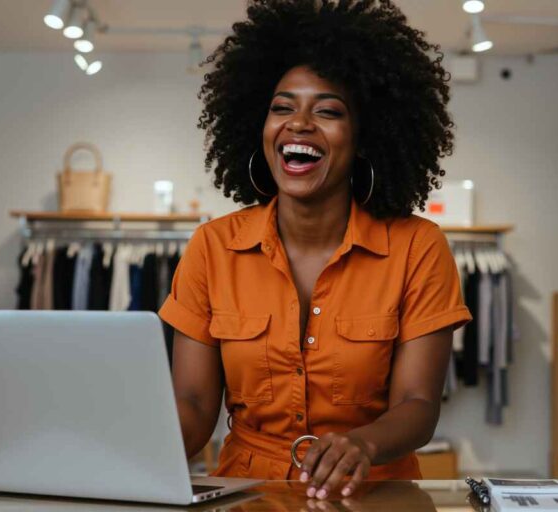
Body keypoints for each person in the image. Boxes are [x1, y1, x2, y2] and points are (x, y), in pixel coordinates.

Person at [159, 0, 470, 500]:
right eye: (282, 107)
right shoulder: (212, 247)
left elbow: (417, 403)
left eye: (327, 111)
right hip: (246, 493)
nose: (298, 123)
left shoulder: (418, 247)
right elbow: (193, 406)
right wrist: (121, 446)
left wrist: (362, 445)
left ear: (365, 138)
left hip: (373, 494)